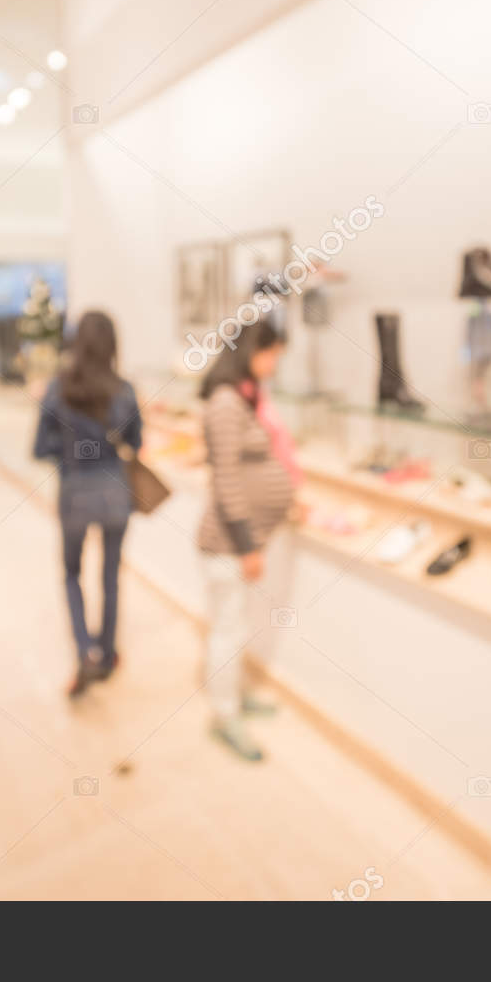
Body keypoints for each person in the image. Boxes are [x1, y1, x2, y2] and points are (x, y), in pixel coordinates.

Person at [198, 321, 298, 762]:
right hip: (227, 543)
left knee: (236, 627)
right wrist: (246, 544)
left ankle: (234, 696)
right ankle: (224, 715)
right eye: (271, 355)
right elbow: (226, 480)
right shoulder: (225, 402)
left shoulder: (241, 398)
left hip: (241, 541)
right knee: (227, 630)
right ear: (252, 351)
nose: (273, 365)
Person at [32, 310, 142, 698]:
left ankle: (85, 651)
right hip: (115, 490)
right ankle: (108, 653)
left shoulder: (57, 389)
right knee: (111, 575)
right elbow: (136, 443)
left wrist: (69, 455)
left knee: (71, 573)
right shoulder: (125, 390)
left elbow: (40, 447)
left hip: (75, 490)